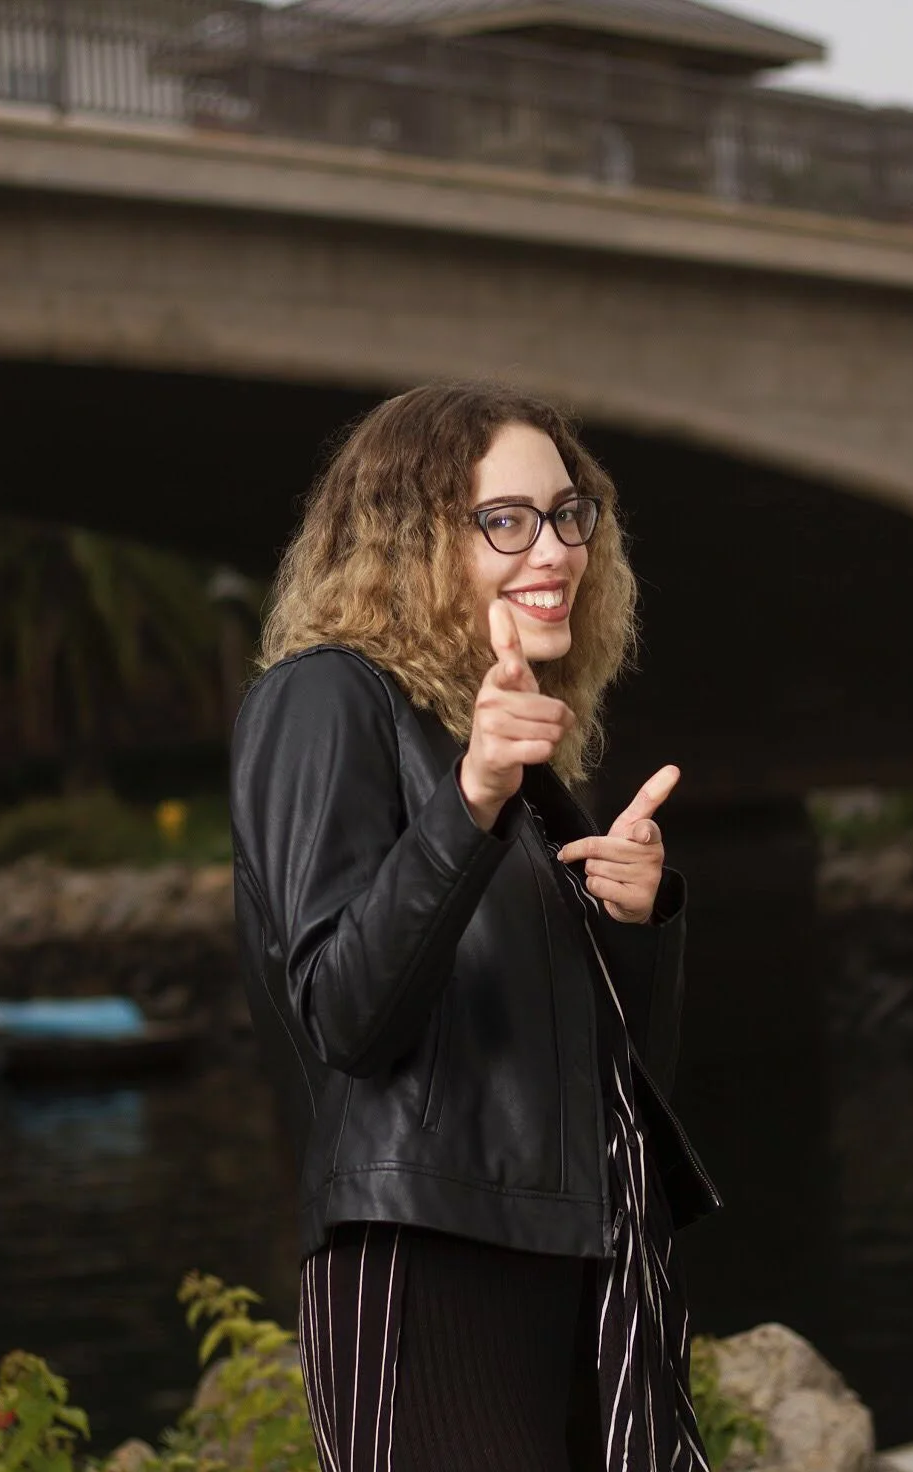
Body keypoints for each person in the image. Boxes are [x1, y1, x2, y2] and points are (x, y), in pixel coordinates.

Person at [229, 382, 724, 1472]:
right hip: (435, 1267)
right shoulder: (324, 699)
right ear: (404, 540)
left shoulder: (504, 753)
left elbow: (599, 1081)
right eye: (505, 519)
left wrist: (633, 925)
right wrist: (472, 797)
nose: (553, 549)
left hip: (589, 1258)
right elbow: (342, 1012)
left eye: (567, 512)